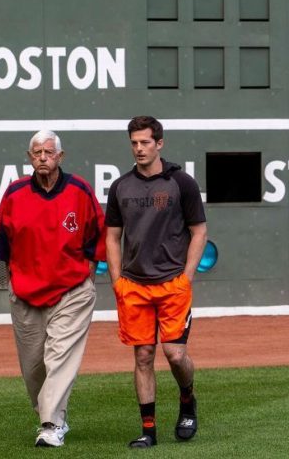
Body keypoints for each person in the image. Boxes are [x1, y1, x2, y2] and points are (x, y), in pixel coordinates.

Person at [0, 130, 105, 448]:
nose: (42, 157)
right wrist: (15, 282)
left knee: (59, 357)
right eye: (36, 152)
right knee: (33, 367)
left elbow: (98, 238)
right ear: (29, 157)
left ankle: (50, 424)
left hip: (71, 290)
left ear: (60, 157)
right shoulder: (15, 193)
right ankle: (51, 416)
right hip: (26, 293)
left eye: (48, 152)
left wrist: (87, 279)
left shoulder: (80, 190)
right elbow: (2, 247)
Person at [105, 116, 207, 449]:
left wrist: (187, 277)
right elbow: (112, 236)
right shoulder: (121, 187)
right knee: (143, 357)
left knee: (175, 355)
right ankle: (148, 430)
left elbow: (199, 231)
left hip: (172, 284)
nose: (139, 148)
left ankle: (187, 398)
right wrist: (118, 281)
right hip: (134, 286)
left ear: (159, 143)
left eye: (145, 142)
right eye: (134, 142)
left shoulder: (182, 183)